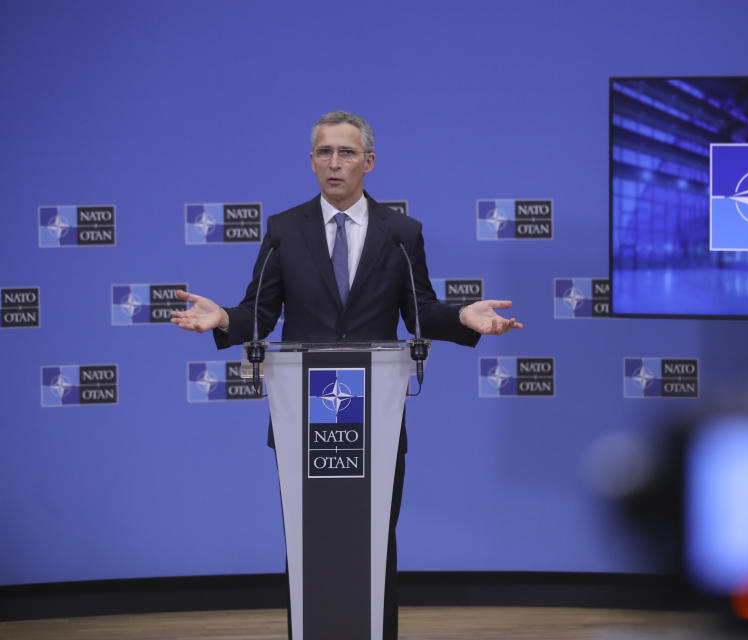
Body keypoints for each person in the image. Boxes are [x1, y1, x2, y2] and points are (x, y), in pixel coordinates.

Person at [171, 110, 522, 640]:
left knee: (375, 539)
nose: (334, 163)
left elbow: (420, 311)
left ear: (369, 162)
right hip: (303, 418)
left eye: (347, 153)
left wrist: (461, 319)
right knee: (309, 540)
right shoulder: (284, 230)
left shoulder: (402, 233)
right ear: (311, 161)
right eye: (324, 153)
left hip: (375, 418)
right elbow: (260, 313)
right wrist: (224, 319)